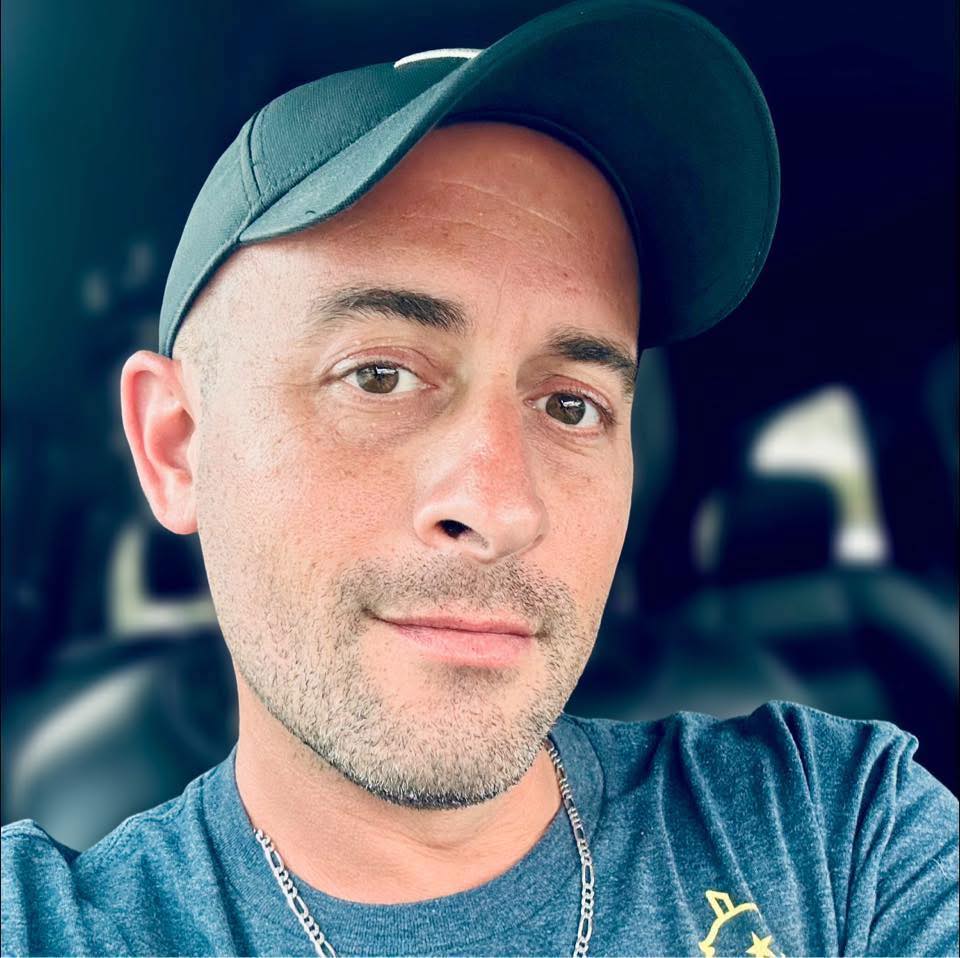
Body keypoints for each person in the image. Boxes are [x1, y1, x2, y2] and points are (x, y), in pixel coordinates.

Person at [2, 1, 957, 956]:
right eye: (379, 376)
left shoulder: (837, 829)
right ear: (176, 446)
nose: (500, 507)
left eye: (571, 404)